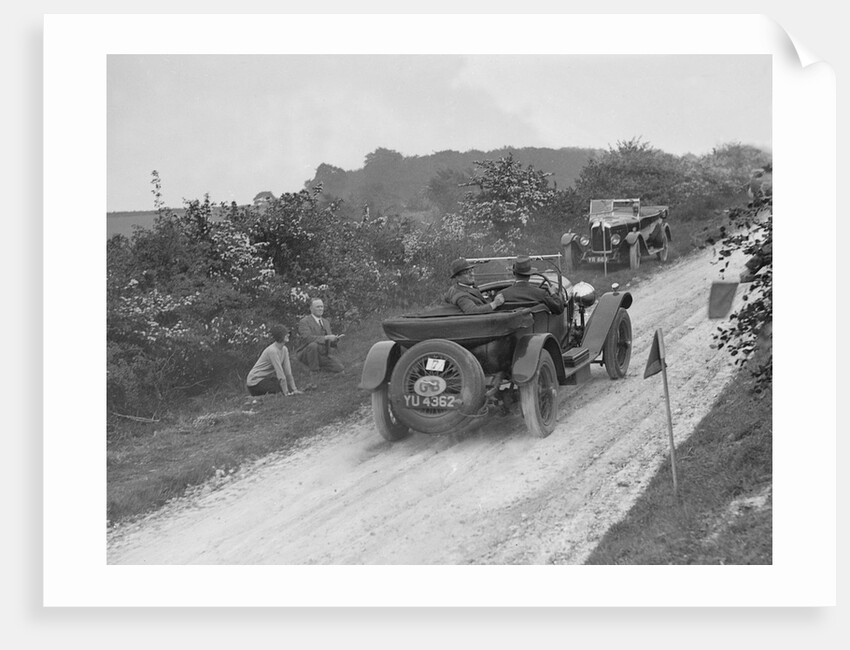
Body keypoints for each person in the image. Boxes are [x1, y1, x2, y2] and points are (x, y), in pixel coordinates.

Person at [246, 325, 301, 396]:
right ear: (279, 336)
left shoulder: (284, 349)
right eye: (285, 334)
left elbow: (288, 372)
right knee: (281, 390)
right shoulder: (272, 351)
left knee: (288, 388)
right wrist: (286, 393)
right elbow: (280, 373)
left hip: (264, 379)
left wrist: (294, 389)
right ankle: (256, 396)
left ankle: (287, 391)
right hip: (254, 383)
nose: (288, 335)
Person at [498, 256, 565, 314]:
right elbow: (559, 309)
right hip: (538, 328)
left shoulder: (502, 295)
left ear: (514, 273)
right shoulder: (541, 294)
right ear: (530, 275)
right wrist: (553, 293)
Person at [295, 298, 345, 375]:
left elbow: (329, 342)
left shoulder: (326, 322)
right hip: (307, 354)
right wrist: (326, 337)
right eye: (317, 307)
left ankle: (320, 367)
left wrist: (335, 339)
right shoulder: (304, 322)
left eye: (321, 306)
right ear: (311, 309)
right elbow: (307, 338)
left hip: (322, 354)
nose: (320, 309)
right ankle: (314, 371)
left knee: (340, 368)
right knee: (313, 345)